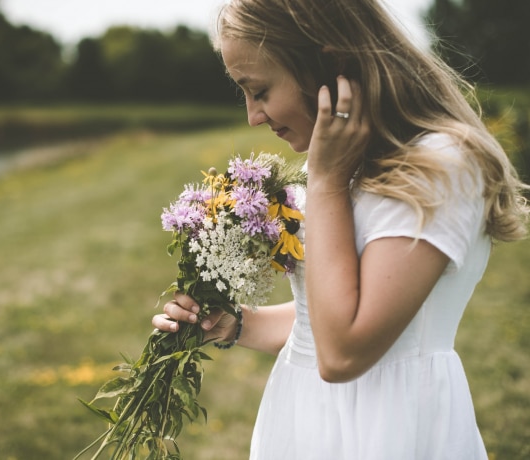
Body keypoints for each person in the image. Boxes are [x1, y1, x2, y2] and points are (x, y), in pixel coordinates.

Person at [152, 0, 529, 458]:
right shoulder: (339, 160)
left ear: (329, 65)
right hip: (304, 416)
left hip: (389, 424)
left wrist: (326, 183)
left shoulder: (437, 166)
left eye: (260, 90)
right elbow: (323, 315)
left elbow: (343, 351)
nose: (253, 115)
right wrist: (236, 324)